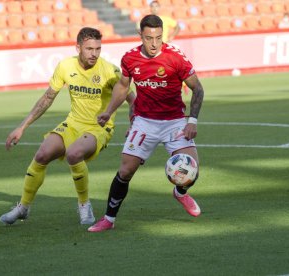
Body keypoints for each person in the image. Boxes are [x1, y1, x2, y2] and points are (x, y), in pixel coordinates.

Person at [0, 27, 135, 226]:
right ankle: (23, 207)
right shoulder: (65, 66)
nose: (94, 54)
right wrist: (22, 127)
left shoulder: (110, 71)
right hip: (72, 124)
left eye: (98, 49)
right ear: (78, 47)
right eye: (89, 49)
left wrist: (134, 123)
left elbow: (133, 100)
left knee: (74, 154)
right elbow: (47, 98)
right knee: (42, 155)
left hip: (98, 128)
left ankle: (84, 204)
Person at [88, 14, 205, 232]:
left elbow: (198, 89)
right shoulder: (130, 58)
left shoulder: (176, 58)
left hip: (175, 122)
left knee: (193, 170)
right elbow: (123, 87)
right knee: (125, 171)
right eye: (149, 38)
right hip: (144, 122)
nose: (154, 44)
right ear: (140, 35)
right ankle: (108, 219)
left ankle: (180, 193)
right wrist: (108, 111)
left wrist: (192, 121)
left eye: (159, 38)